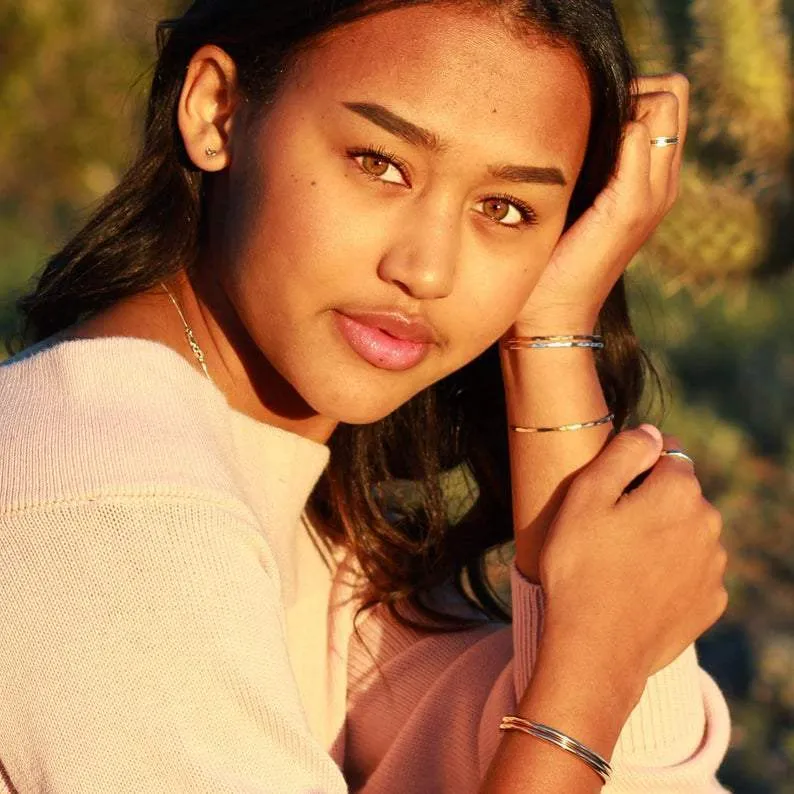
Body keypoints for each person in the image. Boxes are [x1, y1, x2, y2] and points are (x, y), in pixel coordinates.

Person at [0, 1, 730, 792]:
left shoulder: (299, 512)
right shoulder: (109, 506)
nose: (428, 269)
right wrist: (585, 684)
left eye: (506, 209)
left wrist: (551, 332)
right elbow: (587, 720)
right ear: (217, 110)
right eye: (380, 162)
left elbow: (644, 773)